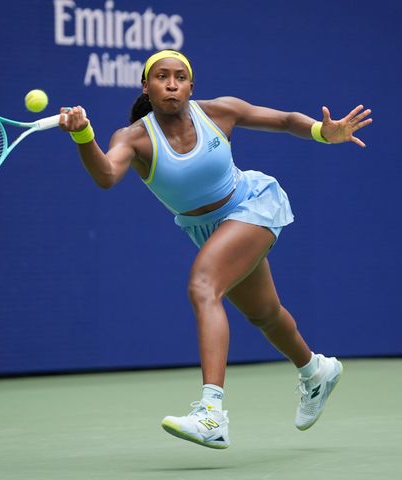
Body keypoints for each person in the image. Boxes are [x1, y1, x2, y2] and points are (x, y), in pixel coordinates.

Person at [59, 50, 372, 449]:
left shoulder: (219, 112)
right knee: (265, 314)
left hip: (251, 204)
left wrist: (323, 132)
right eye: (161, 77)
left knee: (203, 287)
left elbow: (284, 120)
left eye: (179, 77)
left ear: (191, 86)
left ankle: (211, 412)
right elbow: (105, 175)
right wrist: (84, 134)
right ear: (146, 87)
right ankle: (315, 371)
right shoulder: (134, 138)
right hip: (207, 229)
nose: (171, 84)